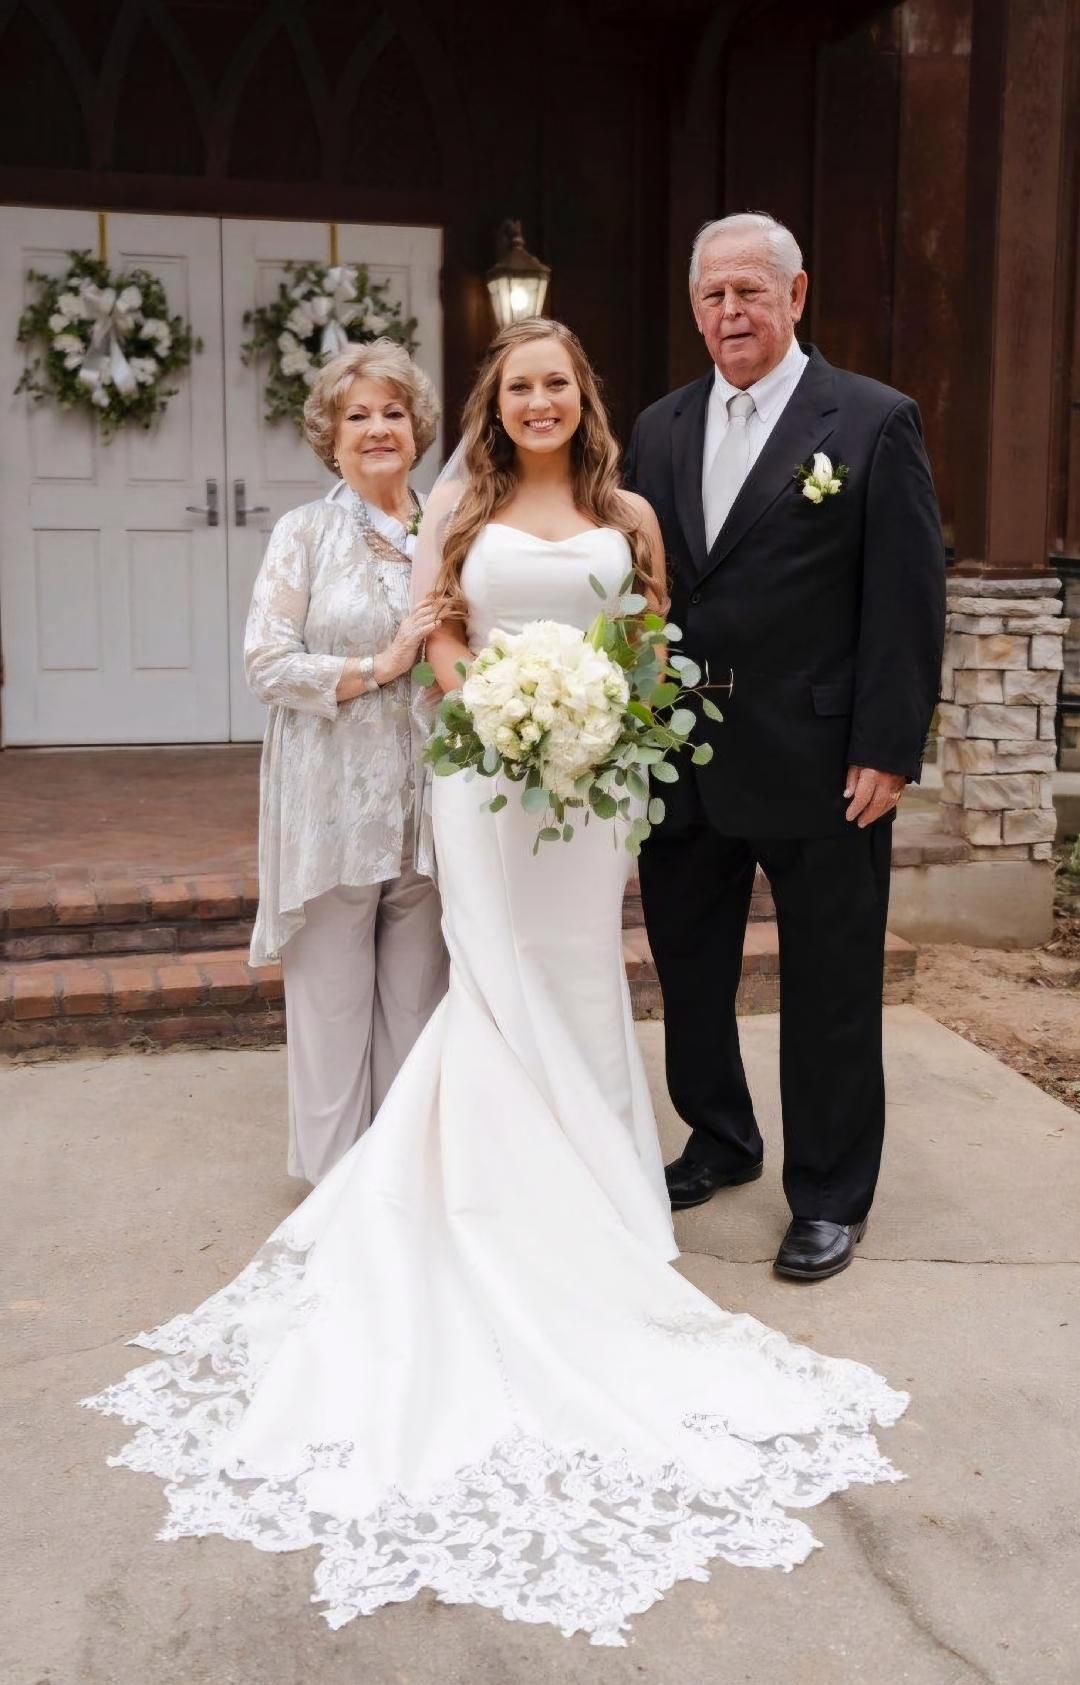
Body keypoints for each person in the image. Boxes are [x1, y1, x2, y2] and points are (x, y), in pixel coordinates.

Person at [85, 320, 908, 1649]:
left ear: (584, 401)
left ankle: (603, 1201)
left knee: (579, 971)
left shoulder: (630, 510)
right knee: (495, 973)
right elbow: (444, 634)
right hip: (486, 774)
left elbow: (647, 641)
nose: (536, 400)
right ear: (495, 402)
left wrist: (607, 730)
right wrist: (501, 718)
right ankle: (472, 1199)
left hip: (593, 789)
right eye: (517, 384)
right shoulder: (458, 508)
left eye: (556, 384)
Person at [624, 213, 945, 1281]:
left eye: (750, 293)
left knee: (832, 982)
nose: (730, 314)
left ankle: (831, 1193)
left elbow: (907, 600)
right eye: (712, 297)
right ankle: (720, 1134)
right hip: (685, 758)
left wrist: (889, 746)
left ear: (796, 296)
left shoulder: (870, 421)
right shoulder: (660, 427)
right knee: (693, 968)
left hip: (822, 764)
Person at [244, 340, 449, 1184]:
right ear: (329, 436)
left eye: (392, 413)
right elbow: (266, 662)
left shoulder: (449, 526)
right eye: (356, 415)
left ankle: (397, 1188)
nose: (377, 429)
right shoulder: (305, 533)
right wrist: (377, 669)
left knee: (417, 1005)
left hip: (434, 806)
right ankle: (333, 1192)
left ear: (418, 427)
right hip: (330, 807)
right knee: (330, 1008)